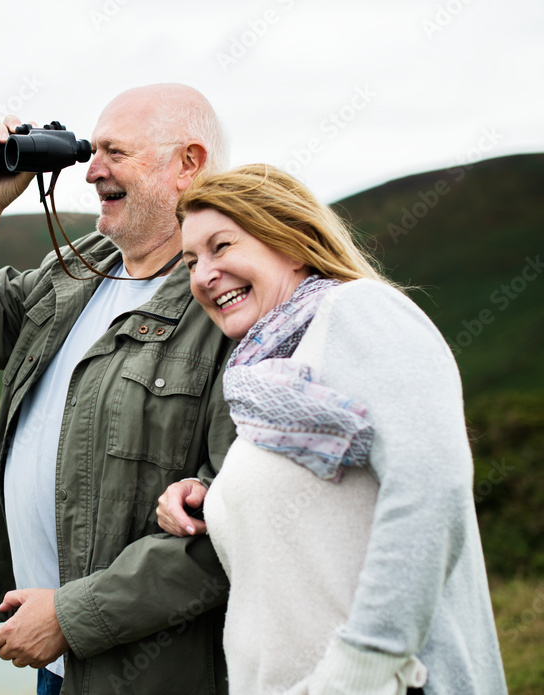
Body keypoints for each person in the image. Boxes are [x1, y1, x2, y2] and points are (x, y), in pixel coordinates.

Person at [0, 84, 237, 693]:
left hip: (150, 674)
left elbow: (233, 525)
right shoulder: (79, 267)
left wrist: (71, 617)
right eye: (92, 152)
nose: (91, 171)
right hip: (62, 665)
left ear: (188, 165)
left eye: (116, 154)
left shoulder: (228, 301)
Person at [157, 164, 508, 694]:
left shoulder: (357, 310)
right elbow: (322, 507)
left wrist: (366, 663)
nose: (203, 275)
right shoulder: (263, 382)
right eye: (191, 261)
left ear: (292, 244)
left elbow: (431, 479)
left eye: (221, 246)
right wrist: (216, 499)